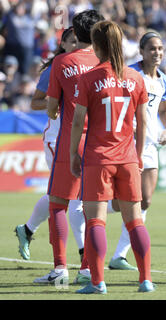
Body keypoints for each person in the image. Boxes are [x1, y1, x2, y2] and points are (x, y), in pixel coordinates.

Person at [70, 20, 153, 294]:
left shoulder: (88, 78)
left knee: (96, 221)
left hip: (98, 159)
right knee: (134, 221)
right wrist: (138, 158)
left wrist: (73, 154)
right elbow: (143, 124)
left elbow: (77, 122)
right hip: (127, 158)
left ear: (96, 45)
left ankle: (98, 282)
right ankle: (146, 280)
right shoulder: (135, 78)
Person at [34, 9, 104, 285]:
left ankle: (60, 269)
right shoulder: (106, 60)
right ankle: (87, 270)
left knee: (58, 205)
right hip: (100, 143)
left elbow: (51, 109)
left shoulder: (62, 62)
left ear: (77, 32)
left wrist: (60, 104)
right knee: (91, 208)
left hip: (70, 141)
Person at [14, 27, 88, 268]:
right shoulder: (58, 66)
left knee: (64, 196)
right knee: (72, 198)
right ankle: (82, 256)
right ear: (63, 44)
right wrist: (56, 101)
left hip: (79, 137)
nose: (76, 45)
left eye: (79, 41)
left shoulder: (86, 65)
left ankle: (27, 229)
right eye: (72, 41)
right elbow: (35, 102)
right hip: (58, 138)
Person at [106, 30, 166, 270]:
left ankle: (119, 256)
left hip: (150, 145)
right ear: (142, 51)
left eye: (160, 49)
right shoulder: (130, 74)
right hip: (125, 142)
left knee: (145, 200)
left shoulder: (163, 79)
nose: (157, 53)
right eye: (152, 49)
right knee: (128, 198)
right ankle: (93, 209)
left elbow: (164, 110)